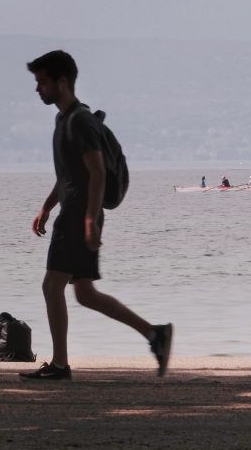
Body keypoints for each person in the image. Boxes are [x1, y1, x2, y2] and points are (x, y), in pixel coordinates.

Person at [24, 50, 173, 381]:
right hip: (75, 211)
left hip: (79, 216)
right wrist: (47, 206)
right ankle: (155, 335)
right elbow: (69, 175)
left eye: (42, 82)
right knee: (85, 293)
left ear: (62, 82)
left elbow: (97, 172)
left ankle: (60, 365)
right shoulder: (64, 120)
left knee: (52, 286)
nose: (38, 90)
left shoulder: (81, 121)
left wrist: (90, 219)